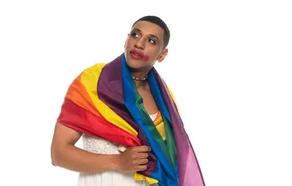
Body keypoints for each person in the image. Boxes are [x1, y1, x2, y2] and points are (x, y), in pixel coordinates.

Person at [50, 15, 205, 186]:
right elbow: (58, 154)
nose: (139, 43)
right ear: (126, 39)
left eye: (151, 41)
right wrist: (117, 161)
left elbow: (171, 160)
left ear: (162, 55)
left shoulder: (165, 99)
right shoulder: (93, 82)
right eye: (135, 35)